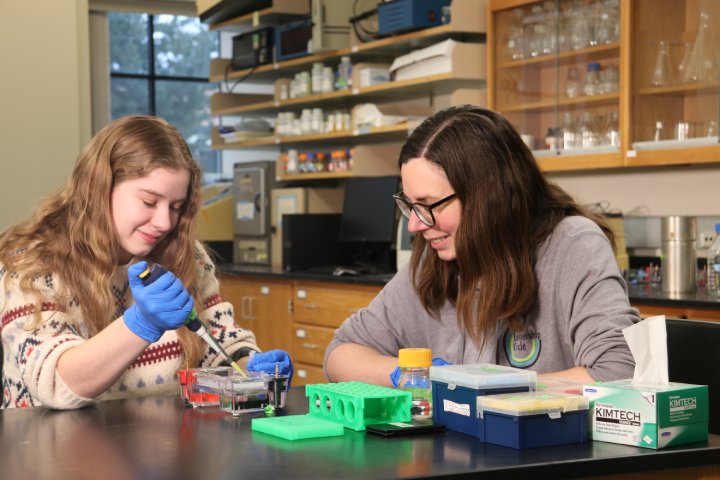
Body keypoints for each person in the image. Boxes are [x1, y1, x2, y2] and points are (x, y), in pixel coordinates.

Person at [324, 105, 638, 387]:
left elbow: (618, 372)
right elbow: (341, 353)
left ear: (487, 199)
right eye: (410, 205)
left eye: (429, 205)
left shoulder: (572, 245)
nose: (415, 225)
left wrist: (482, 388)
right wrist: (411, 375)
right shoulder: (432, 261)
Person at [0, 115, 292, 409]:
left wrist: (251, 366)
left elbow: (217, 346)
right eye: (149, 202)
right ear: (100, 189)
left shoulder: (189, 258)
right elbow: (54, 384)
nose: (164, 222)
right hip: (47, 449)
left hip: (157, 447)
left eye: (176, 207)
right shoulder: (31, 264)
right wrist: (139, 324)